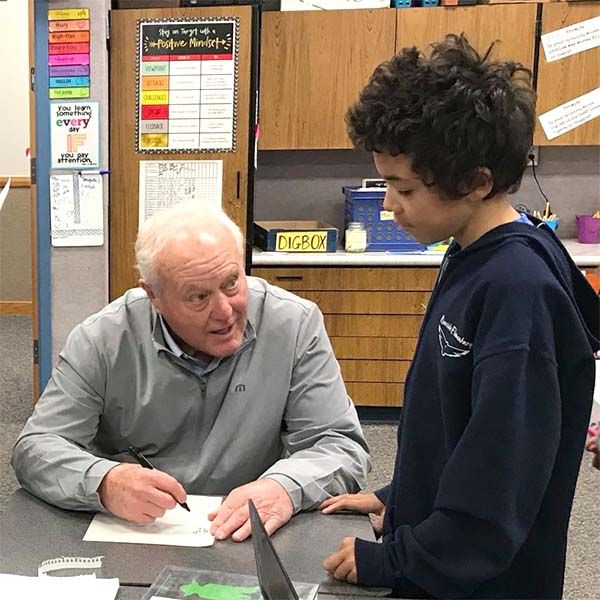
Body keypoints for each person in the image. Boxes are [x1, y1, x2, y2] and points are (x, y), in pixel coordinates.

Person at [322, 34, 599, 599]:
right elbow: (461, 423)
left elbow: (501, 479)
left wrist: (395, 559)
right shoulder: (472, 249)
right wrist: (401, 497)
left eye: (403, 188)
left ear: (476, 182)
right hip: (446, 557)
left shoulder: (517, 288)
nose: (389, 205)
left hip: (482, 583)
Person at [12, 203, 370, 541]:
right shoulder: (103, 339)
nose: (225, 311)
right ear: (153, 295)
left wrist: (283, 487)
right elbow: (36, 447)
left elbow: (338, 444)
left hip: (250, 529)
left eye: (231, 283)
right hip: (138, 532)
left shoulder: (293, 324)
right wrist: (104, 482)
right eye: (198, 297)